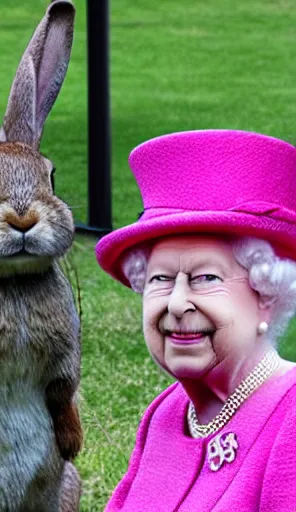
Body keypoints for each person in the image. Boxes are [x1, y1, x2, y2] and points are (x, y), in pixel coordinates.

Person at [95, 130, 296, 511]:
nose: (176, 303)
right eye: (161, 279)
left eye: (206, 278)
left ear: (267, 296)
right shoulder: (169, 411)